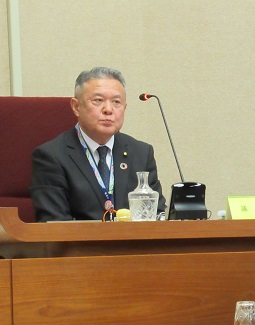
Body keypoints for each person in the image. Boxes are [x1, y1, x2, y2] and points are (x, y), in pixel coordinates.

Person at [30, 66, 166, 221]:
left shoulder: (141, 153)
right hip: (80, 237)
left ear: (124, 108)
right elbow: (54, 223)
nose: (108, 109)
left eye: (116, 102)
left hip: (133, 238)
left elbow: (156, 215)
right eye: (98, 100)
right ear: (76, 107)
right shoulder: (51, 156)